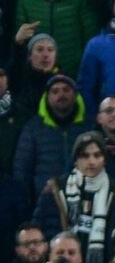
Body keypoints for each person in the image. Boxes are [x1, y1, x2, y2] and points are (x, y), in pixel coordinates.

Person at [34, 131, 115, 263]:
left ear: (104, 159)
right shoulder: (56, 189)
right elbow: (40, 228)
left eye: (97, 155)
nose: (91, 161)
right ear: (75, 160)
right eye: (84, 156)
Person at [12, 75, 90, 205]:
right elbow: (22, 170)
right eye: (55, 91)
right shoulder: (33, 128)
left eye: (66, 90)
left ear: (75, 94)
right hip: (45, 202)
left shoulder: (88, 127)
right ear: (47, 97)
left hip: (84, 201)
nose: (61, 94)